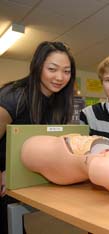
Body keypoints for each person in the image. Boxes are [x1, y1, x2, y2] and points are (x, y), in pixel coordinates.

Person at [0, 41, 76, 233]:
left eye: (66, 71)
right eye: (52, 69)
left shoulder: (59, 101)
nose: (60, 77)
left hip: (24, 180)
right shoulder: (14, 96)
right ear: (38, 66)